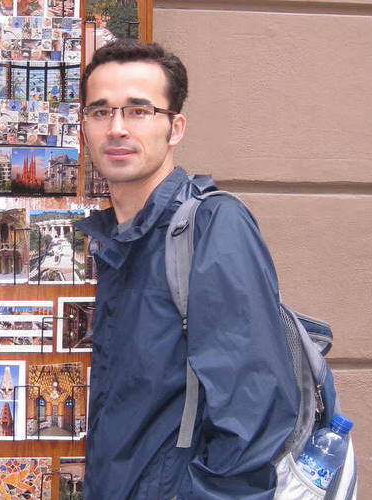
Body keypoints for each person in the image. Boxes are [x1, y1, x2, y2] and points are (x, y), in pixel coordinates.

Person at [74, 40, 299, 500]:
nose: (116, 128)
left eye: (139, 111)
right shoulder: (117, 240)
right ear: (84, 127)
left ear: (175, 128)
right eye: (100, 112)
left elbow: (255, 418)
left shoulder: (213, 225)